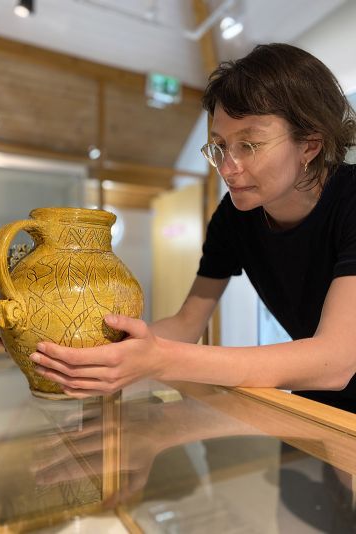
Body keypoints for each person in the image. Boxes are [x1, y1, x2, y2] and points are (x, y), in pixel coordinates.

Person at [28, 43, 356, 413]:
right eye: (219, 146)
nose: (228, 167)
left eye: (249, 144)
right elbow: (187, 323)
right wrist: (73, 347)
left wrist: (161, 359)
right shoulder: (236, 217)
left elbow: (336, 360)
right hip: (320, 405)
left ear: (310, 145)